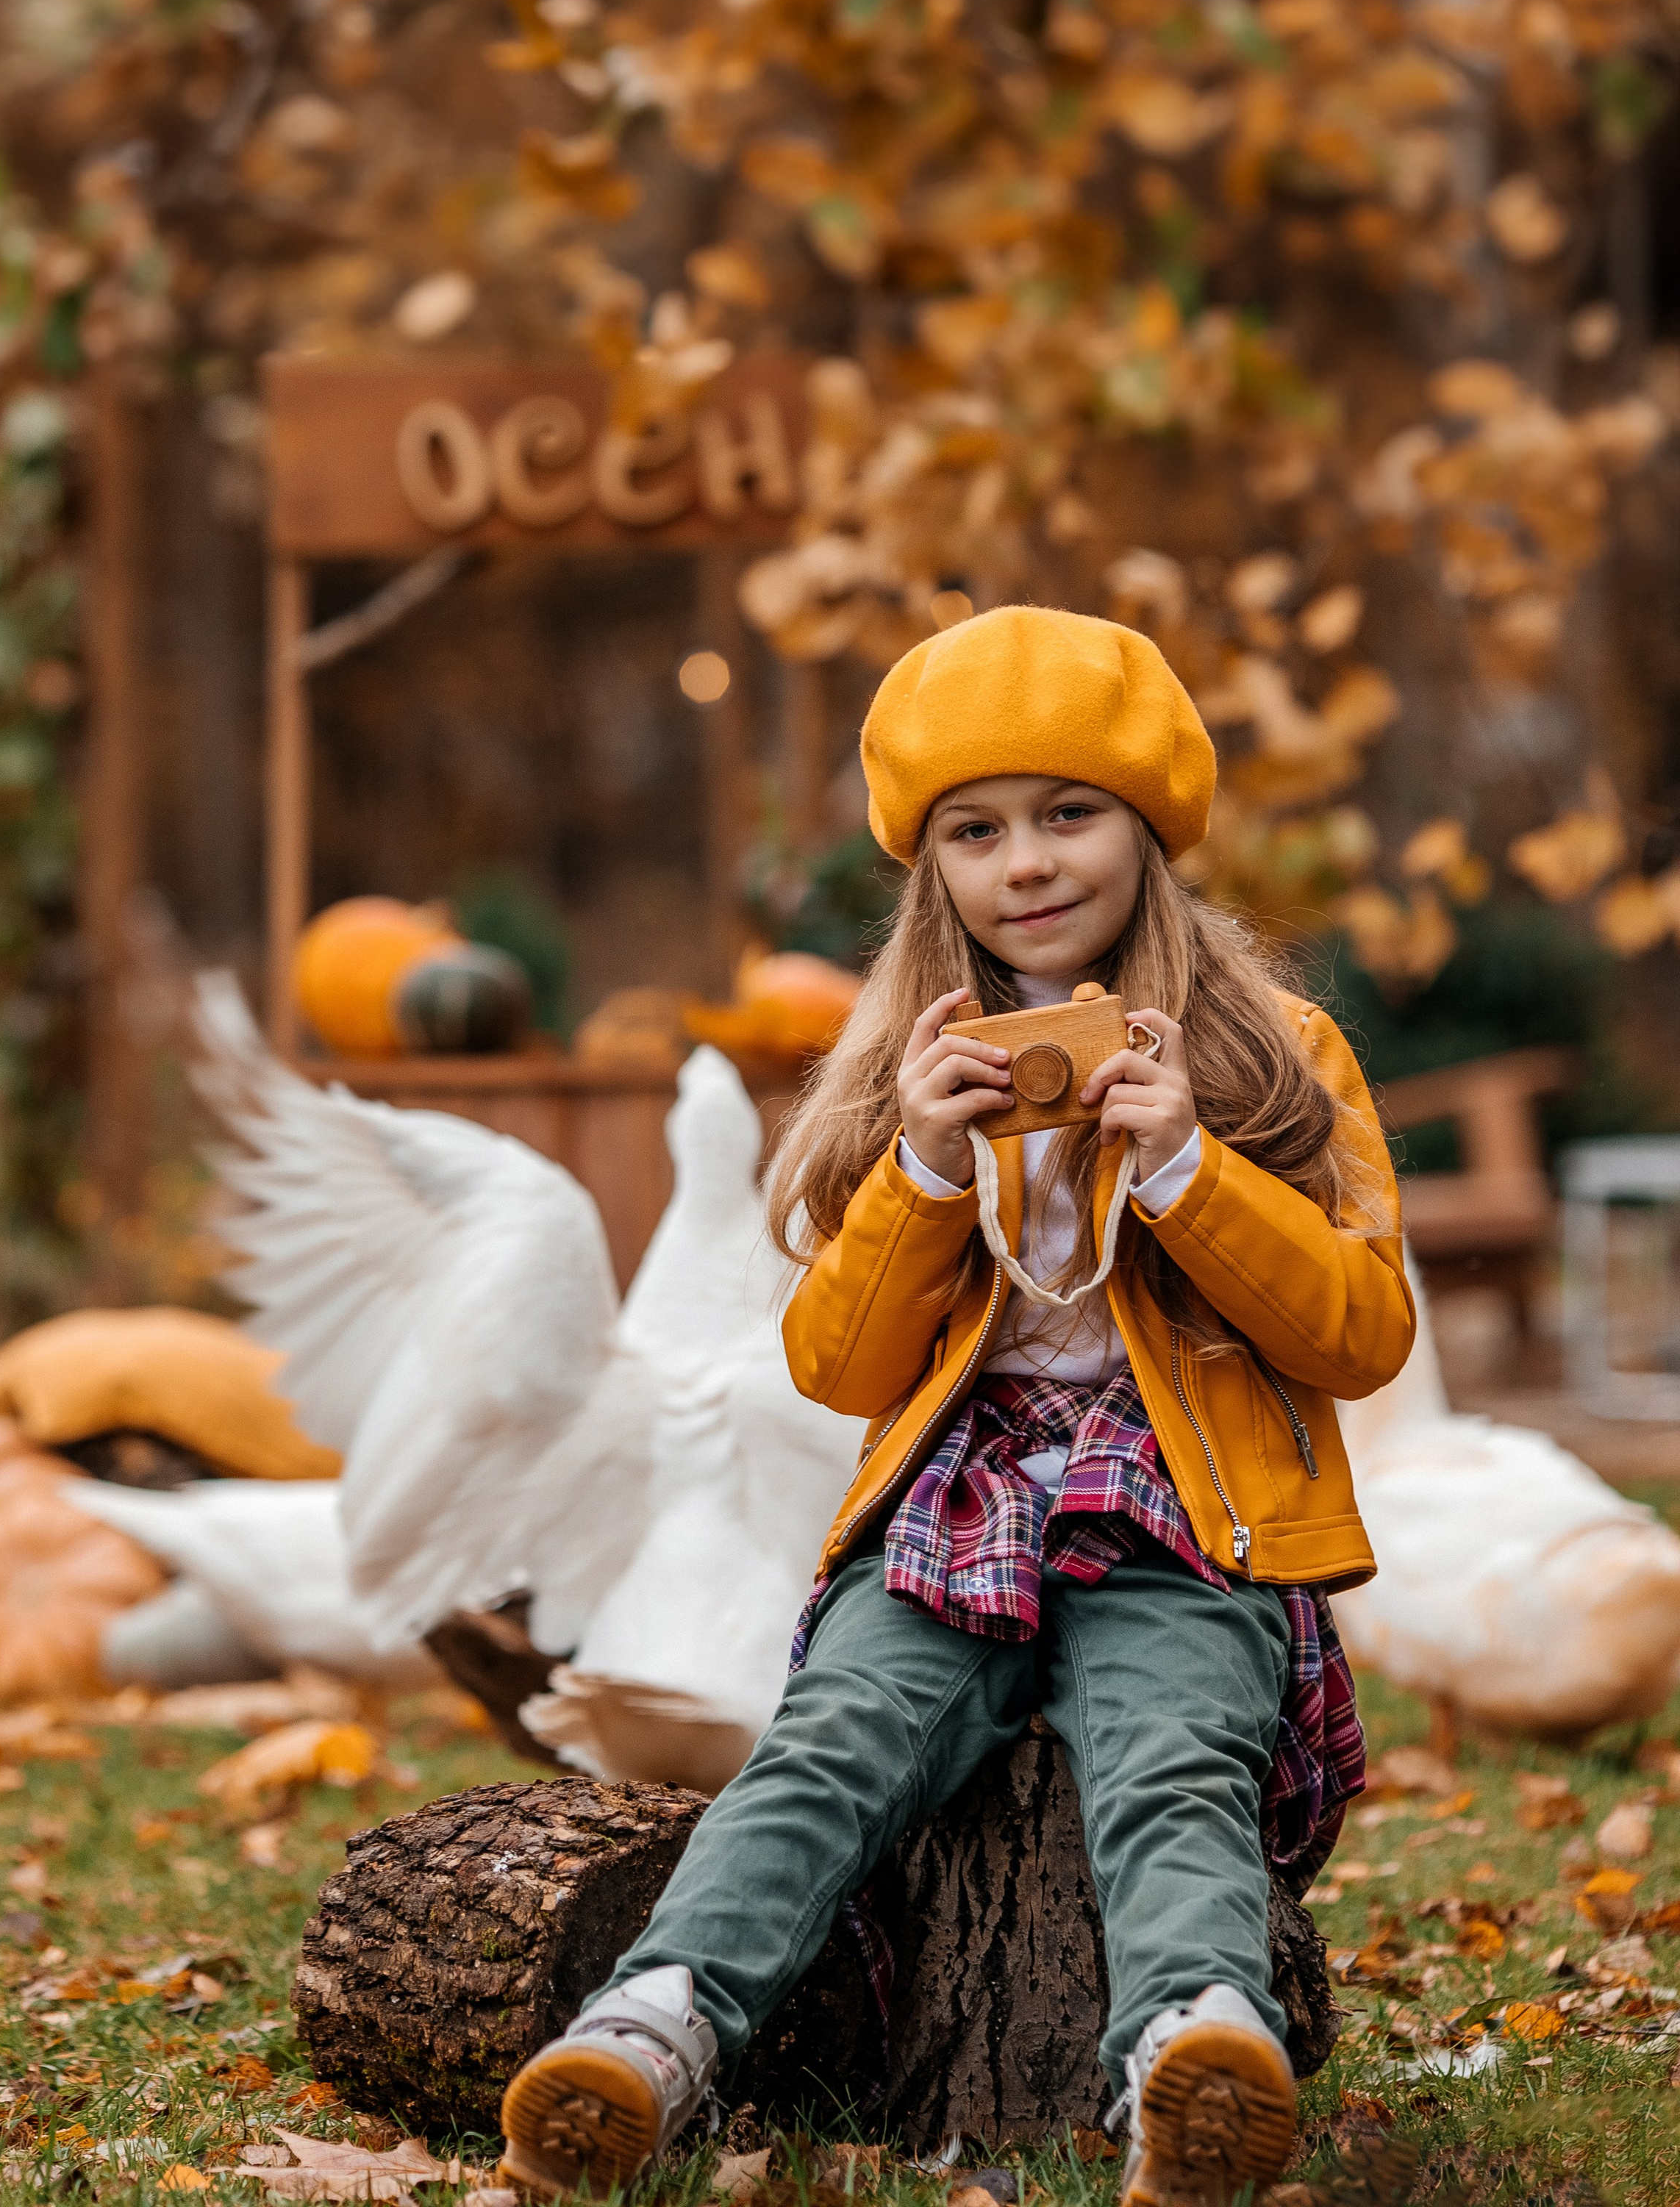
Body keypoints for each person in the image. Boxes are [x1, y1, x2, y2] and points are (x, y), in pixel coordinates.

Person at [501, 606, 1411, 2206]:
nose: (1028, 864)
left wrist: (1191, 1170)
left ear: (1146, 831)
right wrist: (920, 1167)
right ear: (933, 872)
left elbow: (1359, 1334)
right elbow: (838, 1370)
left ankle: (1194, 2050)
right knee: (829, 1743)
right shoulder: (896, 1074)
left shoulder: (1278, 1053)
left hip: (1177, 1496)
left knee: (1174, 1750)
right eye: (977, 832)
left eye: (1070, 814)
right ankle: (649, 2028)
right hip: (956, 1504)